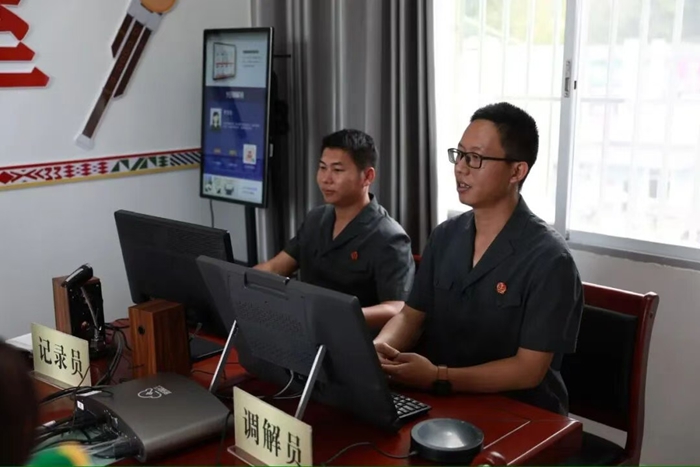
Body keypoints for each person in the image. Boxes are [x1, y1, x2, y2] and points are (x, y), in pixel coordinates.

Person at [374, 102, 583, 415]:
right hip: (442, 400)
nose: (460, 167)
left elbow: (528, 370)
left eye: (475, 158)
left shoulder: (550, 259)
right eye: (459, 155)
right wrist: (378, 349)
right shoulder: (445, 236)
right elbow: (410, 317)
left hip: (519, 412)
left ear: (517, 171)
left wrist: (438, 376)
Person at [255, 129, 415, 330]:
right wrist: (238, 283)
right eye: (322, 168)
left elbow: (396, 308)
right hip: (305, 328)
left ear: (367, 176)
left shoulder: (389, 237)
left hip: (352, 336)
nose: (326, 178)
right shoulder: (316, 219)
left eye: (337, 170)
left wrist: (335, 315)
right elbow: (276, 267)